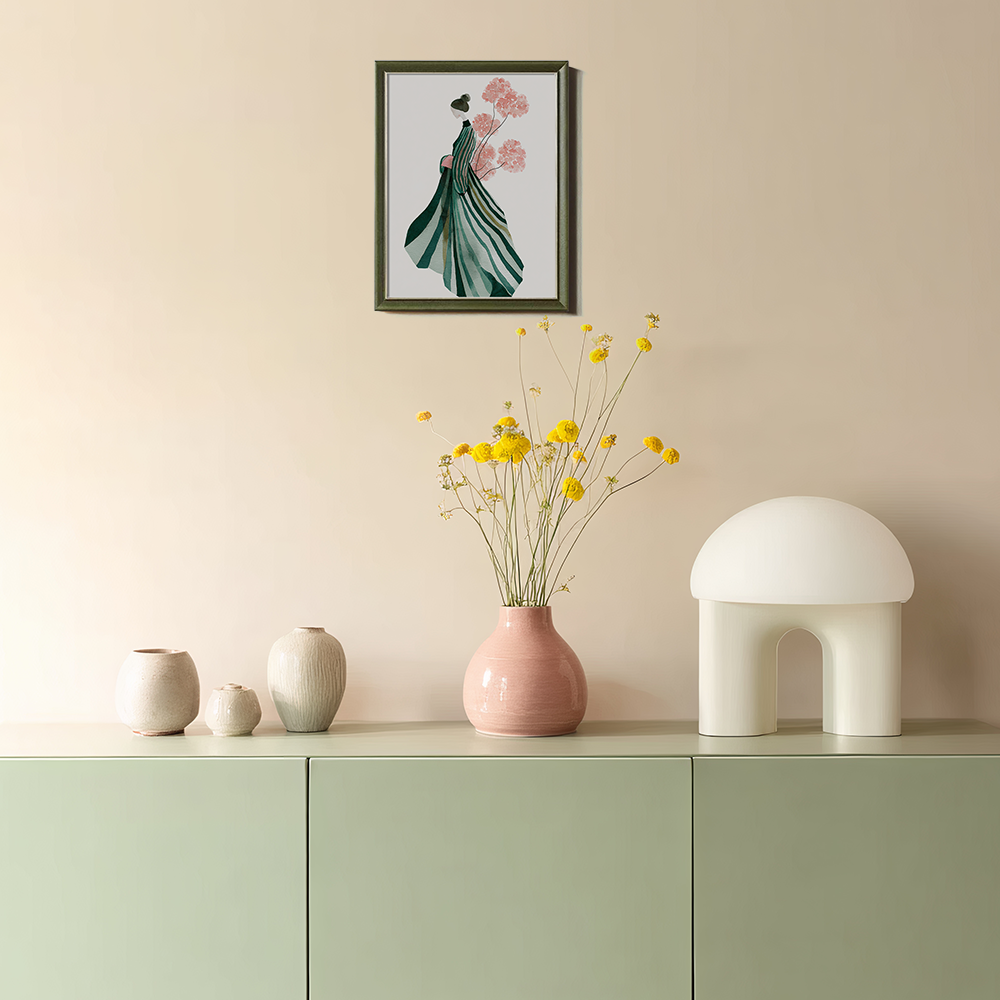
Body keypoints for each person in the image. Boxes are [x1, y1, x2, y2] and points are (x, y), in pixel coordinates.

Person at [404, 94, 524, 297]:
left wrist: (460, 186)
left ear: (458, 111)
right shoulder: (466, 129)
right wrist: (447, 161)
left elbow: (461, 160)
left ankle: (479, 276)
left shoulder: (469, 132)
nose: (452, 113)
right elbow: (458, 158)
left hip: (461, 181)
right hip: (457, 177)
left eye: (453, 110)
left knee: (468, 226)